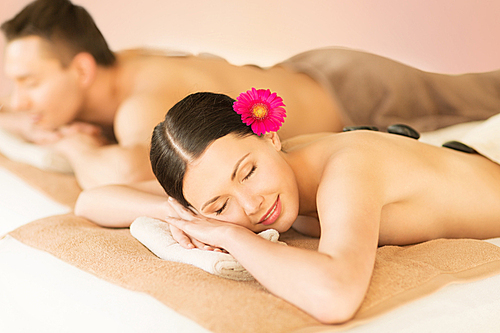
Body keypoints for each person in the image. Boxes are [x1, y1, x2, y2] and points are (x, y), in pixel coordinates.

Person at [75, 90, 500, 323]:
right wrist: (180, 213)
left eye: (249, 172)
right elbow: (91, 200)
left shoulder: (346, 169)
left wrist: (226, 233)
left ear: (270, 137)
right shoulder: (219, 177)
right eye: (220, 205)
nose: (252, 203)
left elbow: (334, 296)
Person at [3, 0, 500, 189]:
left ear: (82, 68)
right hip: (311, 70)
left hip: (355, 92)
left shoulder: (141, 103)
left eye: (30, 82)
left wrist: (72, 144)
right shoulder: (123, 59)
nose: (21, 99)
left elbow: (127, 173)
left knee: (483, 93)